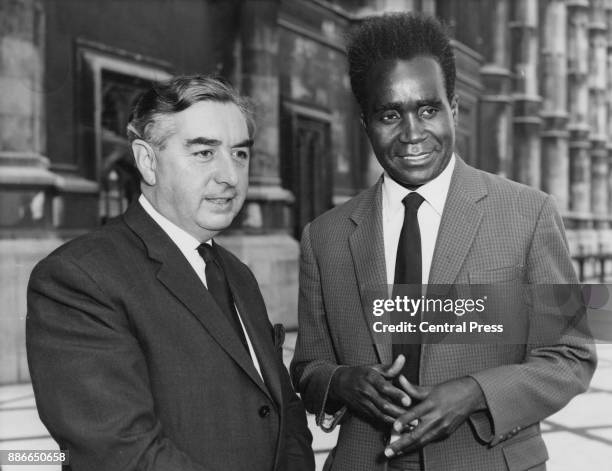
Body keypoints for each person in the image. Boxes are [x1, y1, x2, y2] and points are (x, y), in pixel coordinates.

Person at [290, 13, 596, 471]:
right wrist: (341, 381)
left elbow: (571, 356)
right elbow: (308, 367)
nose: (412, 134)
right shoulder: (325, 237)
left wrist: (475, 392)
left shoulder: (528, 214)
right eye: (390, 114)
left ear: (454, 108)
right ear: (365, 123)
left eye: (428, 110)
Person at [27, 75, 314, 471]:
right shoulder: (78, 278)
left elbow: (283, 409)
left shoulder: (237, 274)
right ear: (147, 160)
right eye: (203, 153)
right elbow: (120, 451)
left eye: (240, 154)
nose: (230, 176)